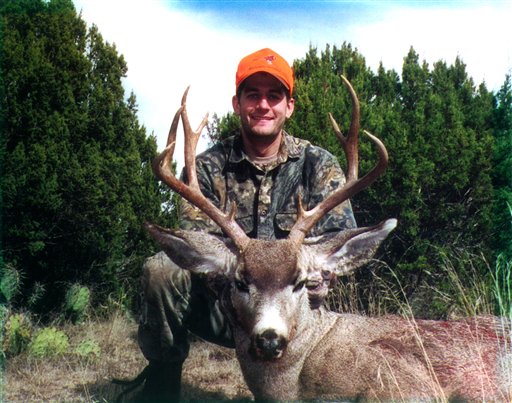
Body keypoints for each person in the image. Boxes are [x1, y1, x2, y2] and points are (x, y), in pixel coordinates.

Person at [132, 48, 357, 401]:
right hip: (230, 306)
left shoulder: (319, 165)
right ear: (237, 104)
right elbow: (197, 247)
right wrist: (239, 282)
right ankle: (161, 388)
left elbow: (335, 247)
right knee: (162, 271)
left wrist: (316, 278)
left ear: (289, 106)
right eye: (253, 95)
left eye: (274, 96)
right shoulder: (206, 168)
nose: (263, 105)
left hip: (295, 313)